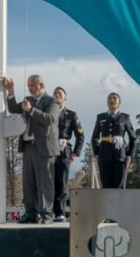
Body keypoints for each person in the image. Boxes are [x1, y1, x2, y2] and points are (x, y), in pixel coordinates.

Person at [2, 74, 60, 224]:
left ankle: (46, 214)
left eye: (32, 86)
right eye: (28, 86)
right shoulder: (28, 101)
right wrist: (11, 92)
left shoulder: (52, 101)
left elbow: (50, 119)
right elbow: (14, 109)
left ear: (41, 85)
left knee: (44, 182)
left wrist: (31, 110)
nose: (30, 89)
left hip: (44, 148)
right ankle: (30, 213)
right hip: (28, 146)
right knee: (29, 183)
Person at [91, 92, 137, 188]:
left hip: (120, 155)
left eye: (114, 98)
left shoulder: (125, 117)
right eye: (109, 98)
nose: (112, 100)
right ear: (107, 102)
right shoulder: (101, 117)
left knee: (119, 185)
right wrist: (97, 154)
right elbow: (95, 137)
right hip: (104, 155)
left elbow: (133, 138)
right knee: (106, 185)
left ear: (119, 102)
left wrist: (129, 155)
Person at [52, 86, 84, 223]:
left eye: (60, 93)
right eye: (55, 93)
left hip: (63, 150)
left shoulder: (71, 114)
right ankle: (47, 211)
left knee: (61, 181)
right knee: (47, 181)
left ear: (65, 97)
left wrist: (75, 153)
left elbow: (80, 136)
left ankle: (59, 212)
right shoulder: (48, 112)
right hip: (47, 150)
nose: (57, 95)